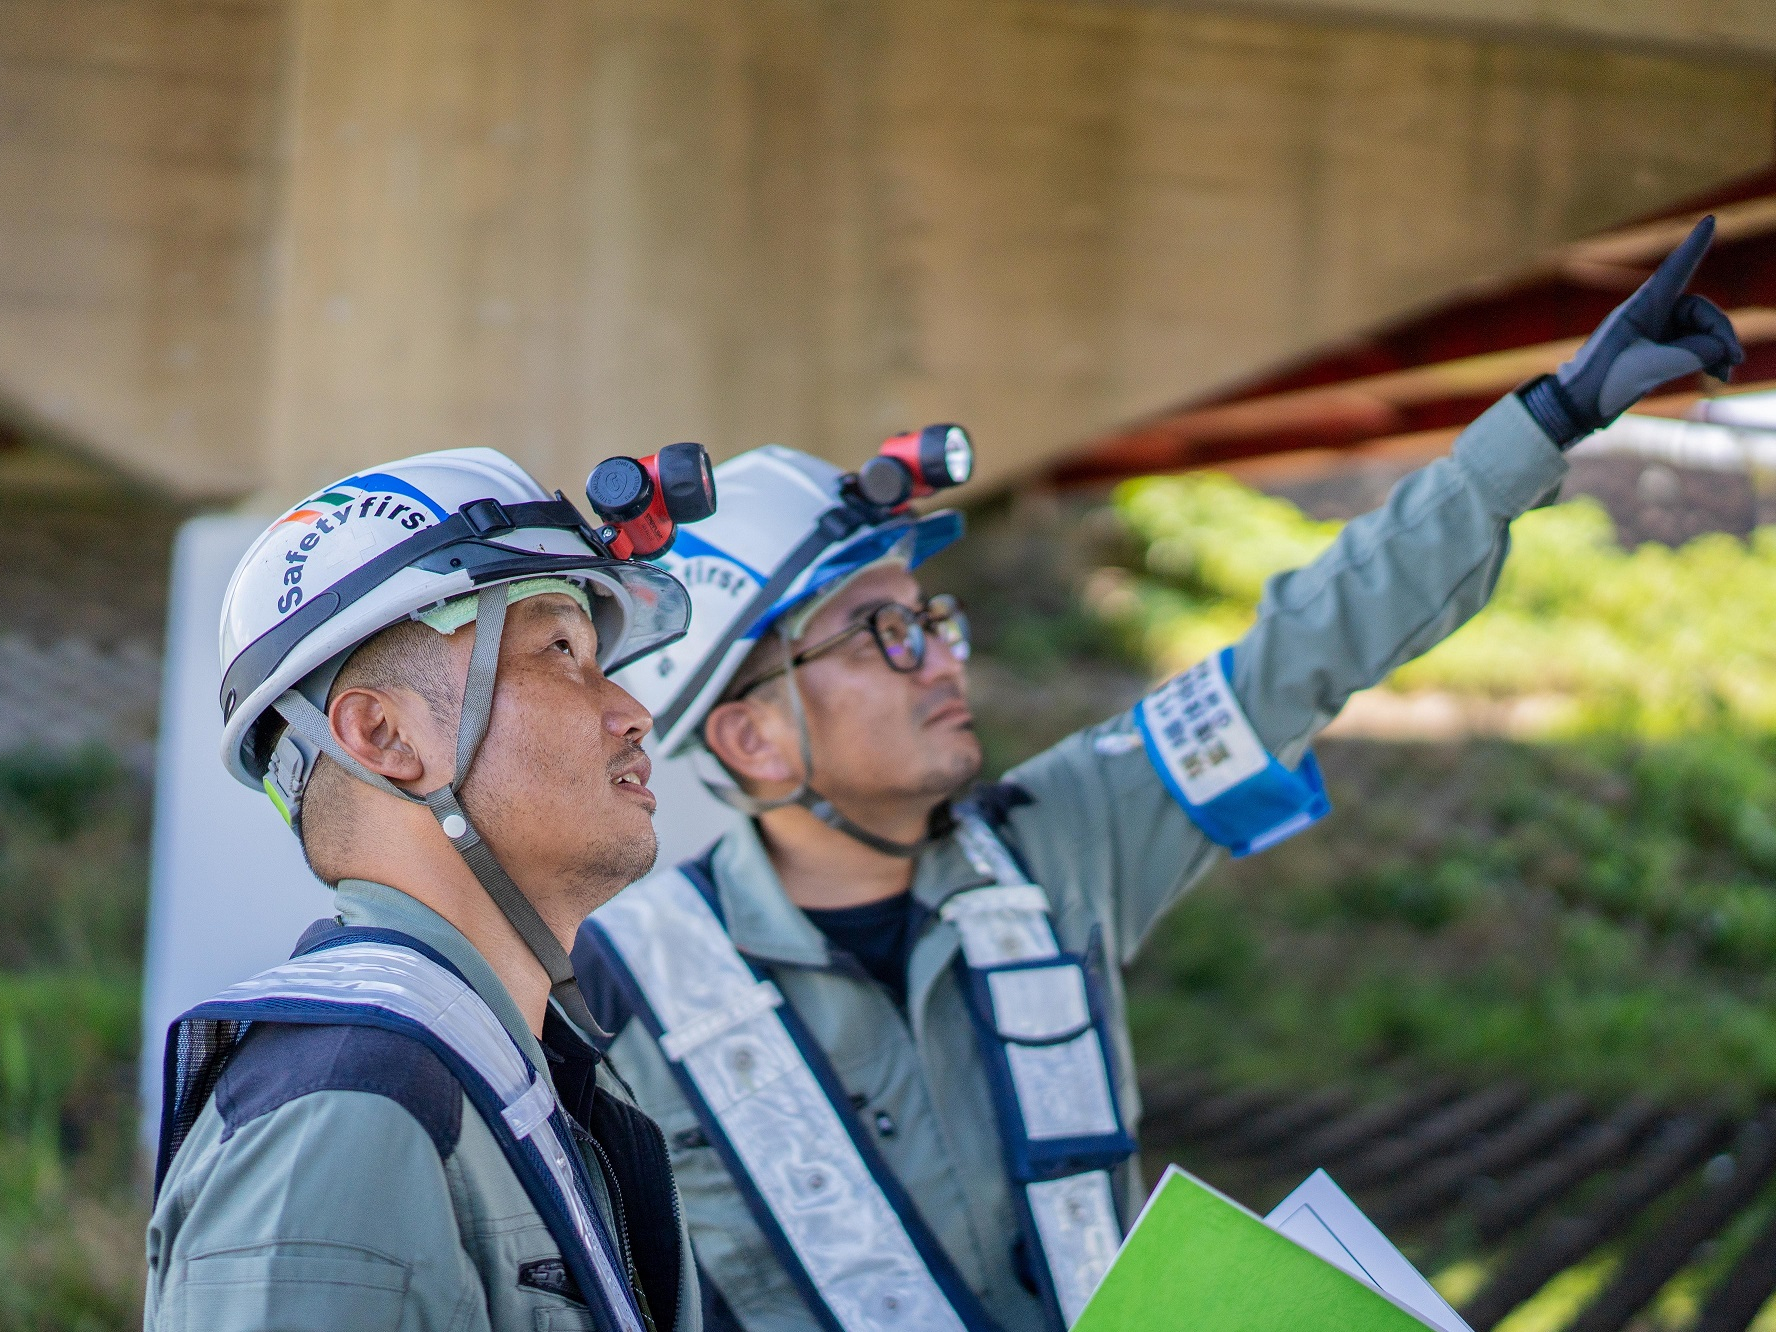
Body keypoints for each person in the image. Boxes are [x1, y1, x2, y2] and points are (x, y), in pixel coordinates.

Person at [572, 217, 1744, 1332]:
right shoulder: (615, 999)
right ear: (752, 741)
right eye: (878, 636)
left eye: (928, 616)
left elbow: (1304, 652)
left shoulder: (1061, 844)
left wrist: (1548, 419)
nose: (938, 656)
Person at [146, 448, 704, 1332]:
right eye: (562, 650)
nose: (633, 711)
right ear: (382, 735)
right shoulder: (344, 1113)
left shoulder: (498, 1077)